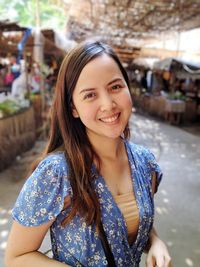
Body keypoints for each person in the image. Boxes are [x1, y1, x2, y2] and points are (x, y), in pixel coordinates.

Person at [5, 41, 171, 267]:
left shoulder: (145, 163)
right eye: (90, 95)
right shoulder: (57, 174)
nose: (108, 104)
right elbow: (16, 257)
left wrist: (155, 242)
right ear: (73, 107)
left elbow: (129, 223)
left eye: (115, 87)